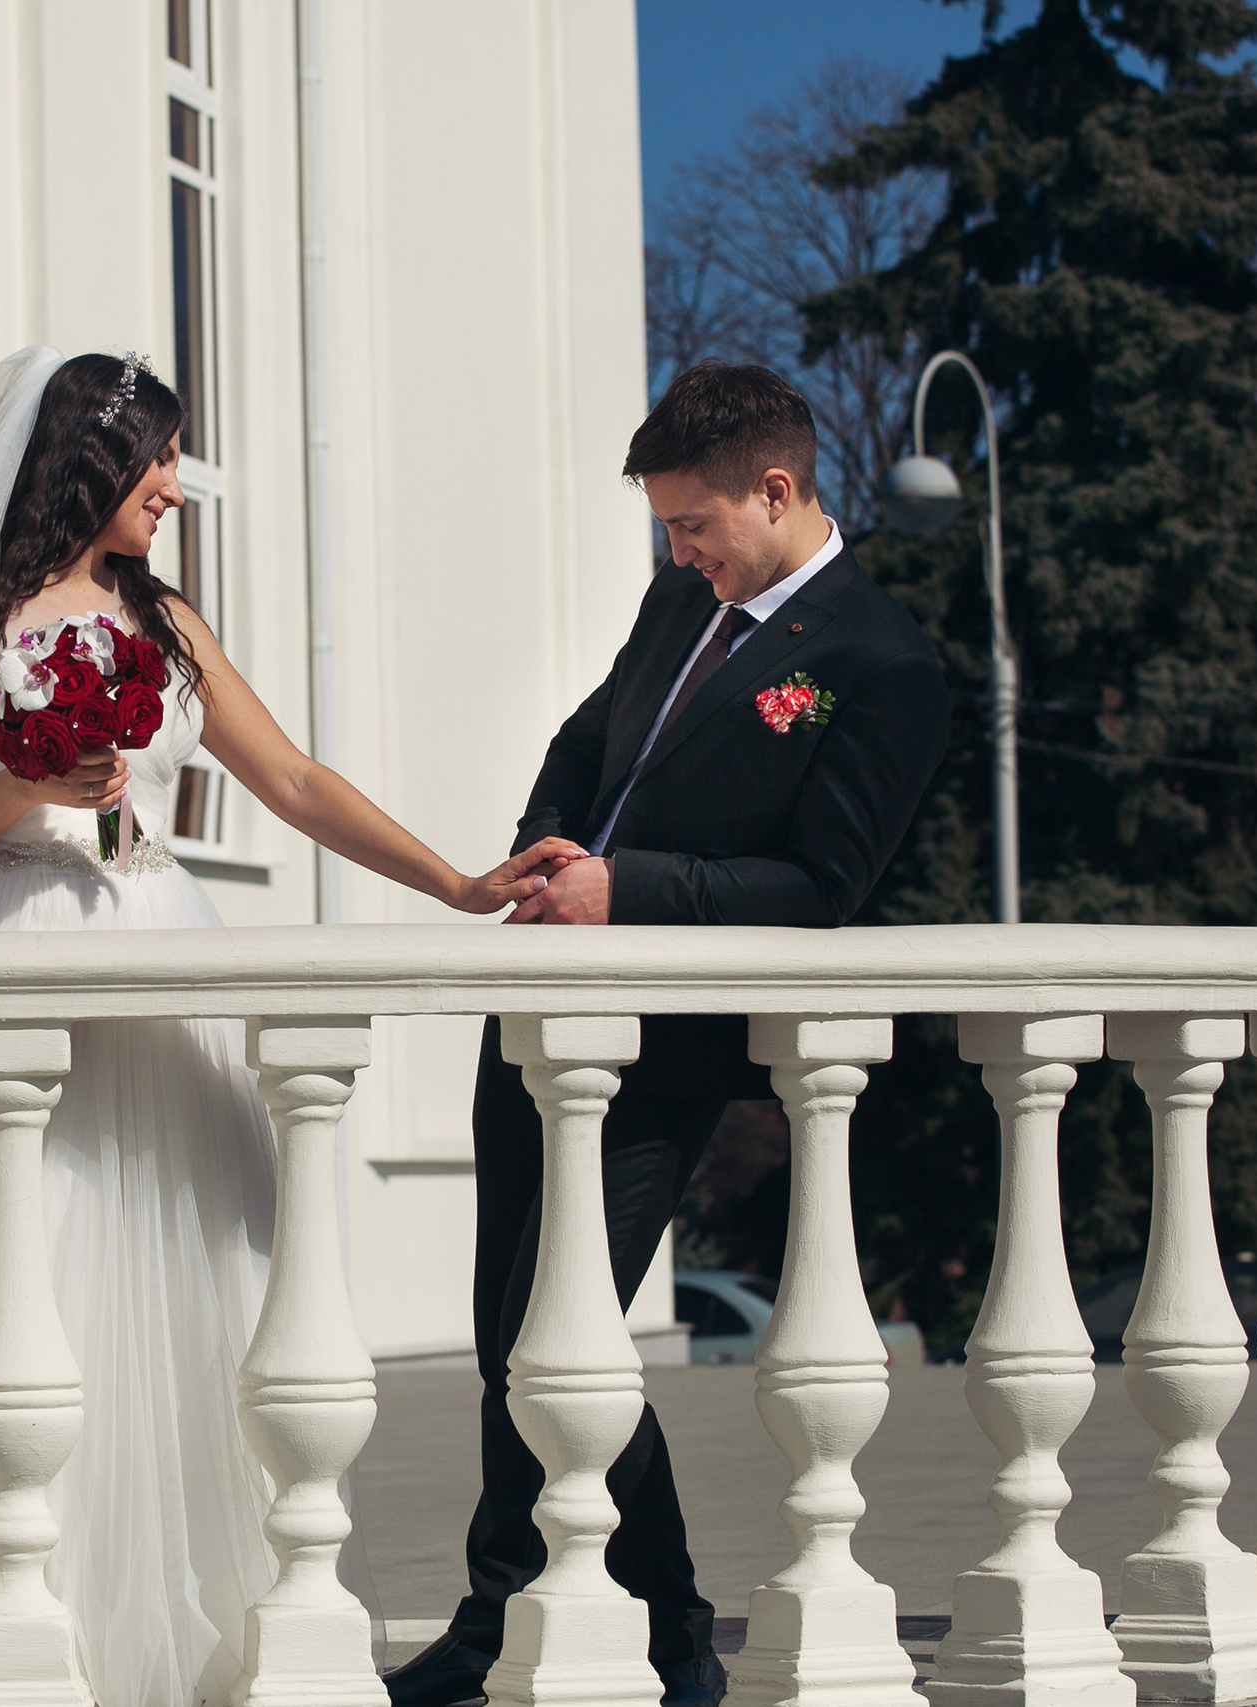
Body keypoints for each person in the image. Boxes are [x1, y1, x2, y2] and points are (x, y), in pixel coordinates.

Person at [0, 347, 582, 1707]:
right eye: (155, 457)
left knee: (205, 1273)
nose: (174, 484)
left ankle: (187, 1629)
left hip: (158, 955)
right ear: (88, 462)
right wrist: (31, 777)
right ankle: (23, 1623)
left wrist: (456, 882)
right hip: (22, 950)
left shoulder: (167, 618)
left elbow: (292, 779)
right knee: (31, 1277)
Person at [382, 361, 949, 1707]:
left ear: (778, 487)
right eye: (665, 531)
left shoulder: (879, 663)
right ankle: (555, 1616)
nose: (677, 552)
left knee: (546, 1334)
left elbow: (823, 889)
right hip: (537, 1012)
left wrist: (622, 892)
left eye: (693, 524)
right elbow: (592, 740)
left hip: (658, 1051)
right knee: (501, 1342)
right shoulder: (676, 601)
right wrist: (548, 847)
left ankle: (620, 1624)